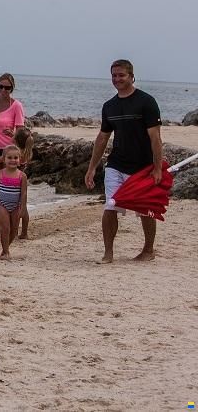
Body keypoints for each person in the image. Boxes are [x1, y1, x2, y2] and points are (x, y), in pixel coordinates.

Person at [84, 59, 163, 264]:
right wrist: (92, 167)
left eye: (121, 75)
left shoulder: (146, 102)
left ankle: (148, 250)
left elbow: (155, 138)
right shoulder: (109, 106)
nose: (117, 79)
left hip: (142, 167)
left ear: (131, 76)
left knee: (146, 209)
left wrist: (157, 169)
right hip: (116, 165)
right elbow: (102, 138)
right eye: (114, 75)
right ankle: (108, 253)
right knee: (110, 206)